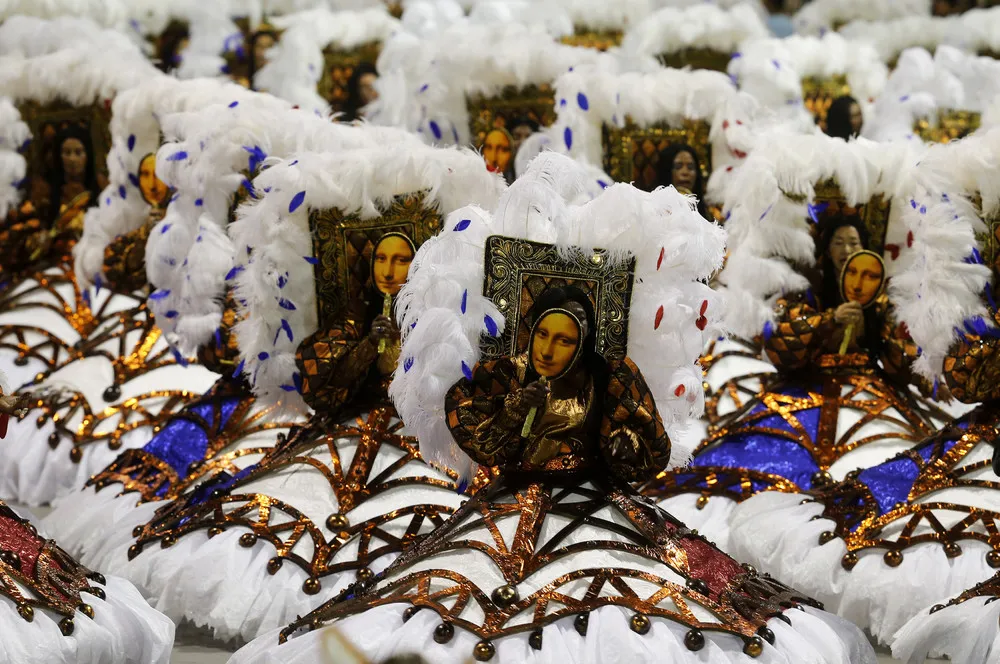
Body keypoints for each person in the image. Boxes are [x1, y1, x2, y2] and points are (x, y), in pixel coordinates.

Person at [225, 155, 877, 664]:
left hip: (599, 514)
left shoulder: (610, 377)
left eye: (567, 339)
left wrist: (610, 426)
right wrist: (521, 413)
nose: (552, 348)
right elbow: (471, 431)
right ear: (528, 332)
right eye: (543, 335)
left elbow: (644, 459)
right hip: (505, 513)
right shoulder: (500, 375)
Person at [655, 143, 709, 220]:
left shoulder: (710, 213)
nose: (685, 172)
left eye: (690, 167)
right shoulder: (652, 210)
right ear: (666, 171)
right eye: (678, 167)